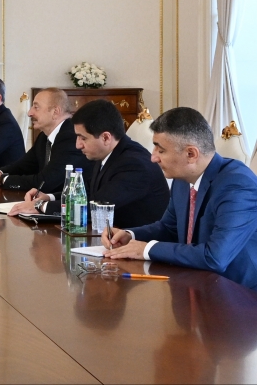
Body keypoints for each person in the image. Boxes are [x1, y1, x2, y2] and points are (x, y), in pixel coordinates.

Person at [103, 107, 257, 291]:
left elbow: (214, 257)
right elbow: (169, 228)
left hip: (238, 295)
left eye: (161, 150)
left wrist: (146, 249)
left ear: (191, 154)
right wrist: (130, 235)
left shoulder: (238, 186)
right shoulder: (182, 180)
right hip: (194, 284)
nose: (153, 158)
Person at [9, 99, 169, 225]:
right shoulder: (107, 153)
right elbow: (87, 192)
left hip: (137, 246)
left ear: (106, 137)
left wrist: (39, 206)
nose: (78, 145)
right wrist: (48, 198)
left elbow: (96, 207)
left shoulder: (134, 165)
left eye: (83, 138)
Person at [0, 88, 91, 193]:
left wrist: (3, 180)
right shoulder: (44, 136)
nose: (29, 113)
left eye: (36, 107)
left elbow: (45, 182)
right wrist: (0, 172)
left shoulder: (70, 137)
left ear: (55, 112)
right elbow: (25, 165)